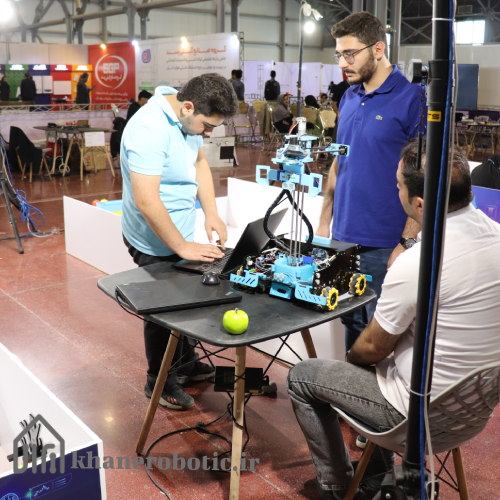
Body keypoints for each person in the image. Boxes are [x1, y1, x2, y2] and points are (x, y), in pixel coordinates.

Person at [287, 141, 500, 500]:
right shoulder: (495, 236)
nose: (395, 188)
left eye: (398, 184)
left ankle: (337, 485)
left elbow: (371, 347)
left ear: (420, 204)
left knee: (303, 377)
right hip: (473, 412)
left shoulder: (418, 262)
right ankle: (375, 474)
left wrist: (352, 362)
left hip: (416, 418)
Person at [120, 73, 239, 410]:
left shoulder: (186, 115)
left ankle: (186, 363)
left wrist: (211, 212)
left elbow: (199, 163)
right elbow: (147, 201)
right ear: (188, 107)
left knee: (184, 297)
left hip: (180, 233)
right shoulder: (148, 129)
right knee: (162, 308)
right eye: (207, 126)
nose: (208, 133)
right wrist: (183, 247)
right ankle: (158, 380)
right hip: (152, 238)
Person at [316, 12, 425, 354]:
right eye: (339, 55)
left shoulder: (412, 98)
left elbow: (423, 178)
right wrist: (324, 222)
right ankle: (351, 388)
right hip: (342, 238)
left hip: (384, 243)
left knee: (381, 336)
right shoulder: (349, 97)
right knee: (351, 322)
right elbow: (339, 162)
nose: (342, 64)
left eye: (350, 54)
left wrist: (407, 241)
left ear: (378, 49)